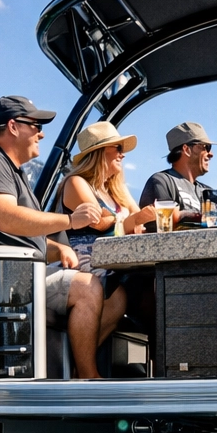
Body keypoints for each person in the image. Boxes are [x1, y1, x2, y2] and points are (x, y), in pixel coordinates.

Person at [0, 94, 109, 378]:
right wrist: (71, 219)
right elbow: (5, 217)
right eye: (35, 125)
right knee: (88, 286)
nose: (41, 133)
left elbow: (17, 234)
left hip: (12, 276)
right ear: (12, 126)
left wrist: (58, 250)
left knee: (106, 289)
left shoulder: (11, 171)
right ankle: (88, 379)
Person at [57, 121, 142, 378]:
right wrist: (126, 218)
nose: (122, 154)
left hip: (111, 263)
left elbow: (139, 221)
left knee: (124, 297)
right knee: (133, 291)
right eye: (116, 147)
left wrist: (128, 217)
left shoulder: (113, 189)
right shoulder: (76, 182)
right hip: (86, 261)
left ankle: (81, 370)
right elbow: (98, 220)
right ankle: (88, 373)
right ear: (98, 152)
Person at [138, 122, 215, 220]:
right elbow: (163, 221)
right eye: (206, 147)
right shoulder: (161, 181)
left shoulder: (208, 191)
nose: (211, 154)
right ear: (187, 149)